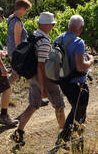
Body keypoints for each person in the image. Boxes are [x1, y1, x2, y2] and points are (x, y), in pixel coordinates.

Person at [11, 12, 66, 146]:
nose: (53, 27)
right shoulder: (44, 42)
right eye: (52, 24)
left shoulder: (33, 36)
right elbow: (42, 66)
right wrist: (43, 87)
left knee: (34, 104)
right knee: (59, 106)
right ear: (48, 25)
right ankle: (64, 135)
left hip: (32, 77)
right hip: (44, 78)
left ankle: (19, 133)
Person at [55, 15, 94, 145]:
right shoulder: (78, 42)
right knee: (80, 113)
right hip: (77, 84)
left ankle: (65, 137)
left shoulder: (58, 39)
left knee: (75, 109)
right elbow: (80, 66)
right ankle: (74, 142)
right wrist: (91, 61)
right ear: (80, 28)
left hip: (63, 82)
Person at [0, 0, 32, 107]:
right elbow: (18, 42)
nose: (26, 12)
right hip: (17, 53)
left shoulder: (10, 17)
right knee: (23, 74)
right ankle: (35, 96)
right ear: (21, 8)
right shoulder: (17, 22)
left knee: (16, 75)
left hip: (11, 51)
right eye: (26, 9)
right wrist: (23, 55)